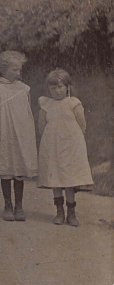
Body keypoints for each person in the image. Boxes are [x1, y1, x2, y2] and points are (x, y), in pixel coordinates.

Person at [0, 51, 38, 222]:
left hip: (21, 134)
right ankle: (8, 205)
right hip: (3, 132)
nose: (18, 73)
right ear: (3, 69)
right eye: (14, 70)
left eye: (19, 70)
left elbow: (27, 113)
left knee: (19, 170)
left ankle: (19, 206)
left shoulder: (24, 89)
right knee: (6, 169)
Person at [37, 69, 93, 227]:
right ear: (48, 89)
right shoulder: (46, 104)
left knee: (69, 179)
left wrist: (74, 140)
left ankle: (71, 212)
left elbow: (81, 125)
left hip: (71, 147)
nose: (57, 91)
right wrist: (49, 140)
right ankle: (59, 211)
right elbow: (41, 126)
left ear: (68, 87)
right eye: (53, 87)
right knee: (55, 179)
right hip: (52, 146)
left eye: (60, 87)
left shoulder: (73, 103)